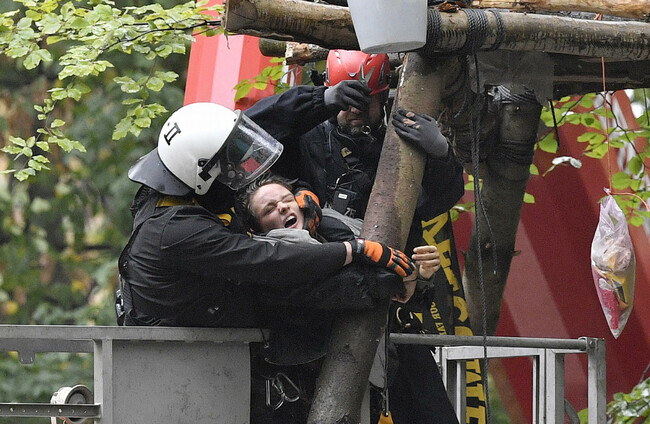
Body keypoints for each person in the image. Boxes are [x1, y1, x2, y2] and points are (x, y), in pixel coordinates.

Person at [116, 101, 418, 423]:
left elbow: (249, 181)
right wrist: (353, 250)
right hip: (190, 379)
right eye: (228, 166)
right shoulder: (176, 231)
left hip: (220, 363)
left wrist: (301, 184)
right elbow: (269, 261)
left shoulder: (177, 188)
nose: (238, 172)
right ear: (200, 173)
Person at [246, 50, 463, 424]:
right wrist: (318, 101)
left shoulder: (400, 140)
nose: (354, 110)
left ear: (384, 96)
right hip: (318, 315)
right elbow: (249, 130)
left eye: (365, 101)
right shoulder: (308, 139)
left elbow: (439, 199)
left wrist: (442, 155)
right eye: (346, 101)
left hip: (392, 307)